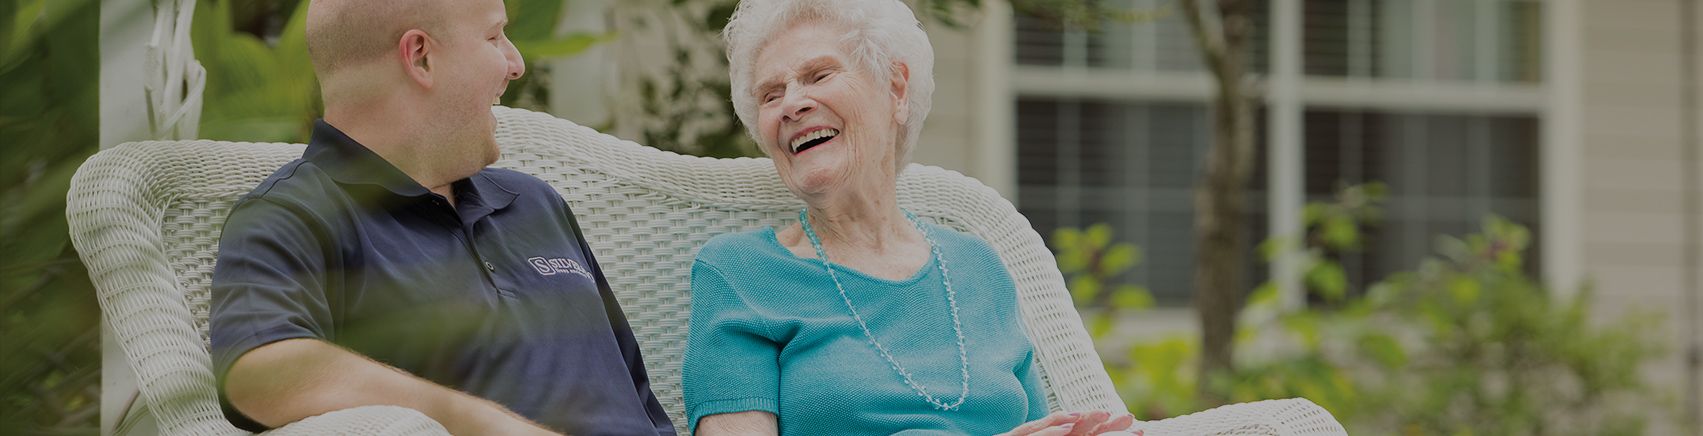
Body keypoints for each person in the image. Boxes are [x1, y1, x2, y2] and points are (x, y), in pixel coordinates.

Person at [206, 0, 675, 434]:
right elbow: (260, 371)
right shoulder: (290, 216)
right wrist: (475, 422)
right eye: (494, 38)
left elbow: (640, 401)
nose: (517, 64)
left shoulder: (533, 201)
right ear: (421, 57)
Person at [681, 1, 1138, 435]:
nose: (791, 105)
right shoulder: (741, 274)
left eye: (818, 75)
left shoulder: (978, 267)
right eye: (770, 95)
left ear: (896, 90)